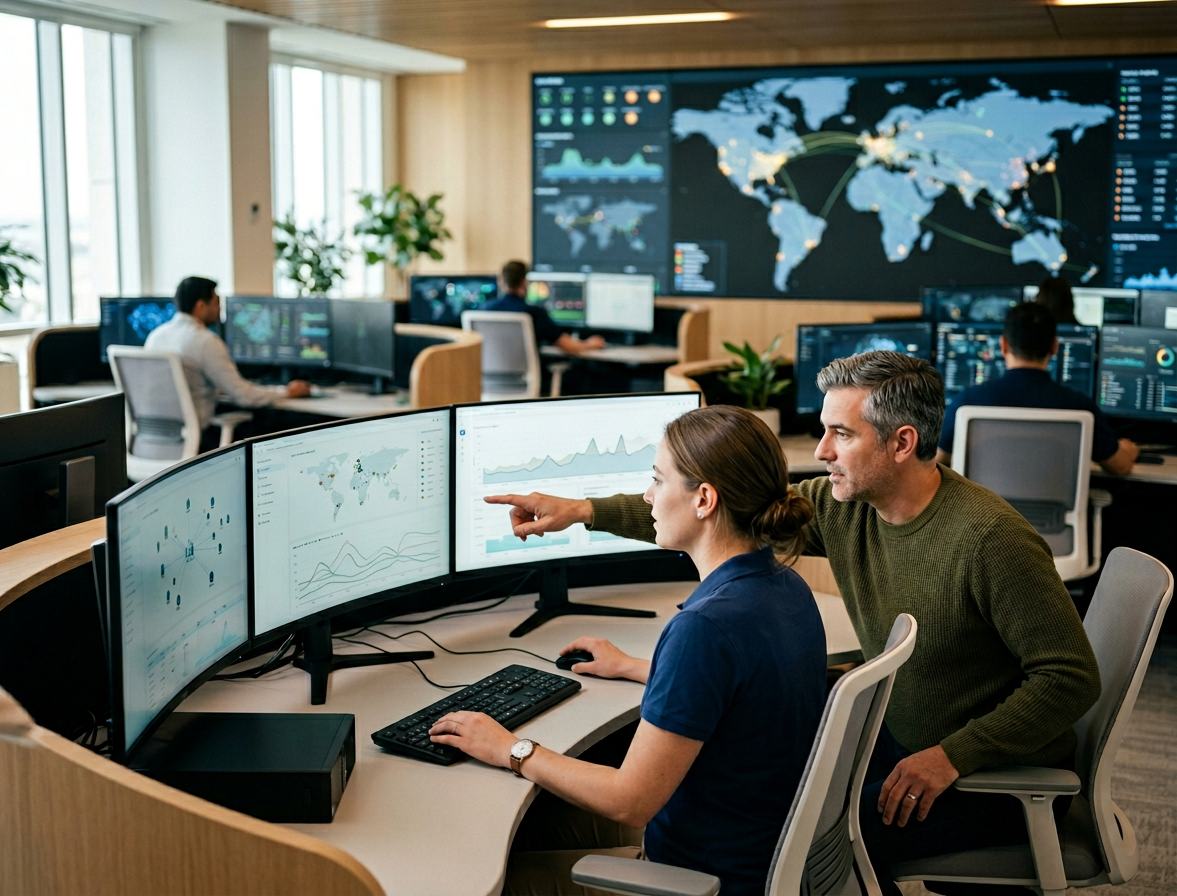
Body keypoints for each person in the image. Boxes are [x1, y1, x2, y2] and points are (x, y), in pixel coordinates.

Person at [485, 351, 1101, 896]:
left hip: (978, 777)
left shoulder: (991, 539)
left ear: (902, 443)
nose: (824, 451)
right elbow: (735, 498)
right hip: (891, 749)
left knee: (786, 824)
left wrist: (952, 756)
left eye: (840, 434)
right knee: (766, 786)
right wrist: (583, 512)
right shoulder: (850, 507)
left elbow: (1070, 678)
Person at [430, 406, 826, 896]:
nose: (647, 496)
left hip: (701, 877)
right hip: (755, 850)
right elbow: (743, 691)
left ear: (703, 499)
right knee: (531, 831)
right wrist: (637, 667)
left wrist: (507, 748)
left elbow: (629, 802)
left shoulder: (704, 628)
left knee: (499, 881)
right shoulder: (786, 586)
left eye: (657, 480)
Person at [937, 302, 1139, 475]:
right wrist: (1128, 450)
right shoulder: (1079, 407)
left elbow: (936, 461)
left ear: (1003, 345)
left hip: (983, 520)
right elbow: (1120, 467)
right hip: (1051, 521)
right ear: (1054, 347)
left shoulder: (967, 403)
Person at [144, 277, 310, 450]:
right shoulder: (205, 341)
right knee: (269, 425)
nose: (220, 309)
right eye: (216, 303)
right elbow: (245, 396)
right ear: (201, 306)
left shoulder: (156, 337)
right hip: (196, 444)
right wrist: (287, 392)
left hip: (152, 444)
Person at [481, 260, 605, 354]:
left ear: (500, 280)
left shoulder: (483, 311)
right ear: (525, 282)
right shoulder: (534, 313)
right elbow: (568, 346)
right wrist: (590, 344)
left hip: (488, 383)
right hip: (527, 382)